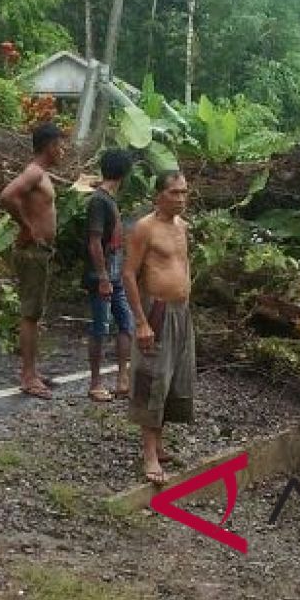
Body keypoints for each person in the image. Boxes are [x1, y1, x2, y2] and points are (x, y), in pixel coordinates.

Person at [122, 171, 195, 485]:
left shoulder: (183, 227)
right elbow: (128, 274)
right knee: (152, 378)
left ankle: (160, 444)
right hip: (157, 311)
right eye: (174, 192)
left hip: (181, 311)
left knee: (173, 378)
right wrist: (141, 321)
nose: (180, 198)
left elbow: (184, 264)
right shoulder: (144, 228)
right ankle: (149, 454)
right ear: (159, 195)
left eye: (184, 192)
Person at [0, 122, 66, 400]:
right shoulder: (34, 172)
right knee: (30, 315)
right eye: (60, 145)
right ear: (50, 146)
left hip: (40, 252)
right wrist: (26, 227)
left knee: (34, 313)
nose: (63, 150)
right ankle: (28, 377)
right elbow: (7, 195)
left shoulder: (42, 174)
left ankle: (33, 372)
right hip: (32, 251)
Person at [83, 149, 135, 402]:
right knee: (100, 328)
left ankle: (122, 378)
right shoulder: (100, 202)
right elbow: (94, 241)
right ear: (124, 174)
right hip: (102, 275)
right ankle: (95, 383)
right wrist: (103, 277)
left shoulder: (106, 198)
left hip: (115, 274)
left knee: (127, 323)